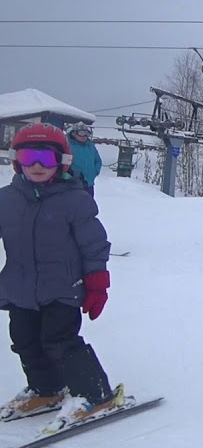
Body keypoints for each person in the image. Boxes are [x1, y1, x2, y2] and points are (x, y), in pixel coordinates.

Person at [0, 123, 122, 427]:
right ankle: (47, 389)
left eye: (46, 158)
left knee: (60, 340)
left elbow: (94, 245)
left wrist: (97, 283)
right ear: (16, 161)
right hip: (20, 288)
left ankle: (95, 394)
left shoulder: (75, 200)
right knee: (24, 340)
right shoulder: (6, 199)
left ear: (63, 161)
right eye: (28, 157)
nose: (37, 166)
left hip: (63, 288)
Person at [65, 122, 103, 198]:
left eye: (87, 134)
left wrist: (94, 172)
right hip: (73, 184)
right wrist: (71, 175)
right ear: (74, 133)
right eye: (81, 133)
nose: (84, 136)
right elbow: (64, 164)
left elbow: (97, 161)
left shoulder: (90, 146)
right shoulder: (68, 146)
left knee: (88, 203)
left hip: (89, 184)